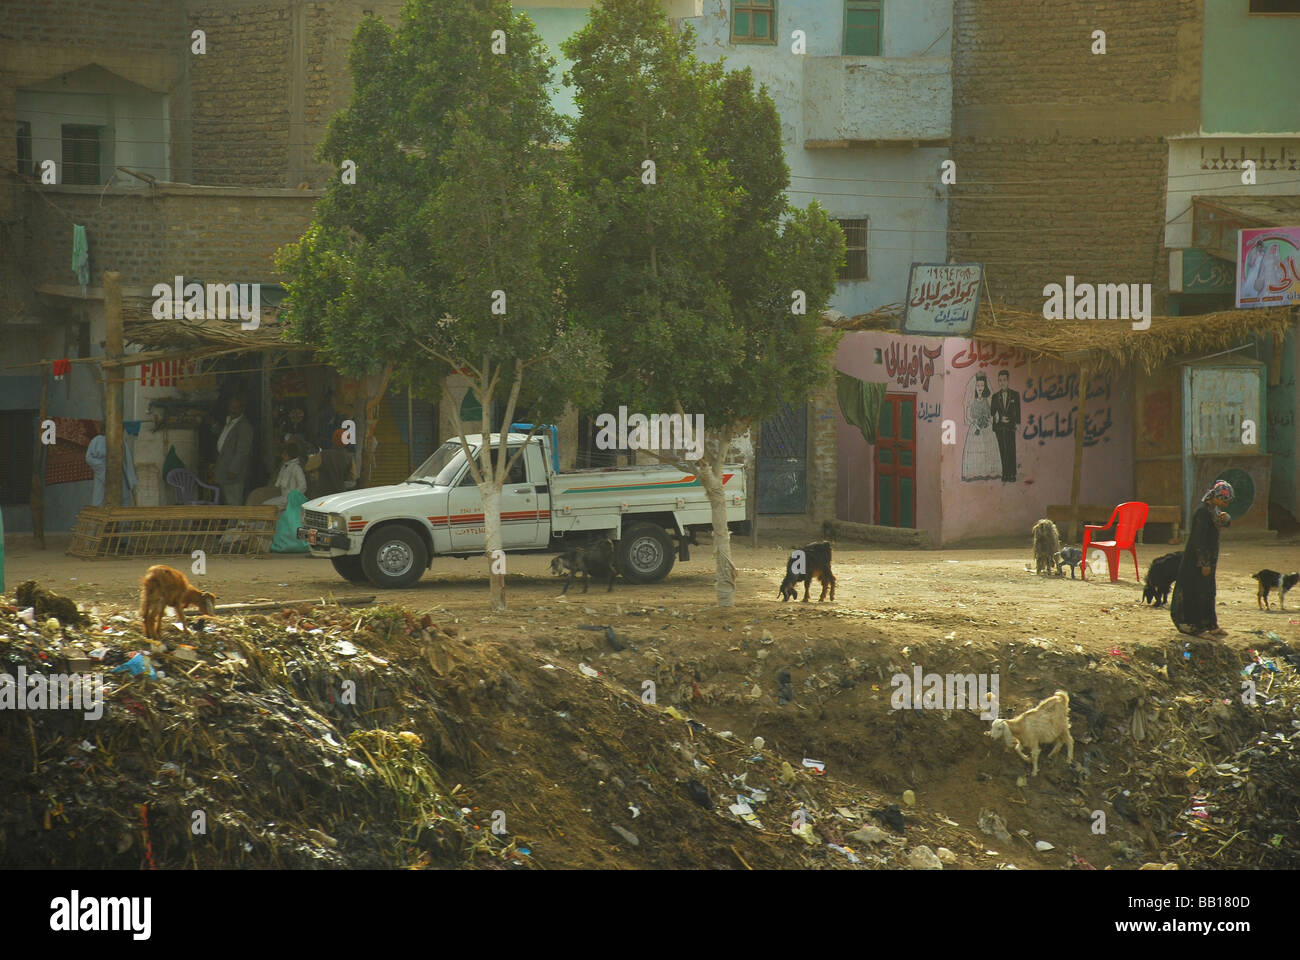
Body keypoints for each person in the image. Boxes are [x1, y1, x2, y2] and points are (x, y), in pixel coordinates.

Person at [1171, 480, 1233, 638]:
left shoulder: (1213, 510)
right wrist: (1204, 563)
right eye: (1223, 500)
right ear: (1215, 497)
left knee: (1208, 592)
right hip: (1197, 561)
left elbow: (1219, 525)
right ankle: (1196, 627)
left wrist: (1226, 519)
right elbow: (1199, 540)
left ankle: (1212, 625)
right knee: (1196, 592)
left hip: (1210, 559)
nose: (1224, 504)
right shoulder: (1203, 512)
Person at [213, 396, 254, 507]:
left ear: (242, 409)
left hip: (234, 473)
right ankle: (232, 524)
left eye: (236, 408)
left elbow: (242, 451)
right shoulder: (229, 422)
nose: (233, 410)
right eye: (231, 408)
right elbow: (225, 439)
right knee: (227, 502)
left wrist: (233, 470)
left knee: (234, 503)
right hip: (224, 470)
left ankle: (235, 524)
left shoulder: (244, 426)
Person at [961, 372, 1001, 481]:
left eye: (982, 386)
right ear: (975, 387)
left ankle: (988, 473)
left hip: (987, 429)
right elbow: (968, 417)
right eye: (978, 386)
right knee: (976, 451)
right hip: (975, 429)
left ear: (985, 386)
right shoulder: (972, 401)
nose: (980, 388)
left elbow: (993, 414)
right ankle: (975, 473)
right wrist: (976, 424)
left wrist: (989, 420)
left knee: (987, 451)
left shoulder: (987, 399)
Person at [85, 433, 137, 506]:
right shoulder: (98, 440)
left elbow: (127, 462)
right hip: (102, 480)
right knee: (100, 505)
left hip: (121, 479)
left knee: (121, 507)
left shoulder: (122, 441)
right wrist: (105, 467)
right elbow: (89, 458)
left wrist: (130, 481)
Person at [990, 369, 1020, 483]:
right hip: (999, 428)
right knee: (1003, 450)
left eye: (1004, 380)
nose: (1002, 382)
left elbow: (1017, 411)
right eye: (1000, 380)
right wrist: (998, 419)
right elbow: (992, 413)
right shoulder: (995, 397)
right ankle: (1005, 474)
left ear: (1008, 380)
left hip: (1010, 427)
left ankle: (1012, 474)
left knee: (1011, 450)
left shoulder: (1015, 395)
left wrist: (1016, 423)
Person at [264, 441, 307, 508]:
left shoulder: (296, 468)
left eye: (284, 453)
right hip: (284, 497)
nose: (282, 455)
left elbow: (303, 486)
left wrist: (293, 496)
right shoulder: (284, 467)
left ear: (289, 454)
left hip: (291, 499)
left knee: (268, 506)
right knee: (265, 504)